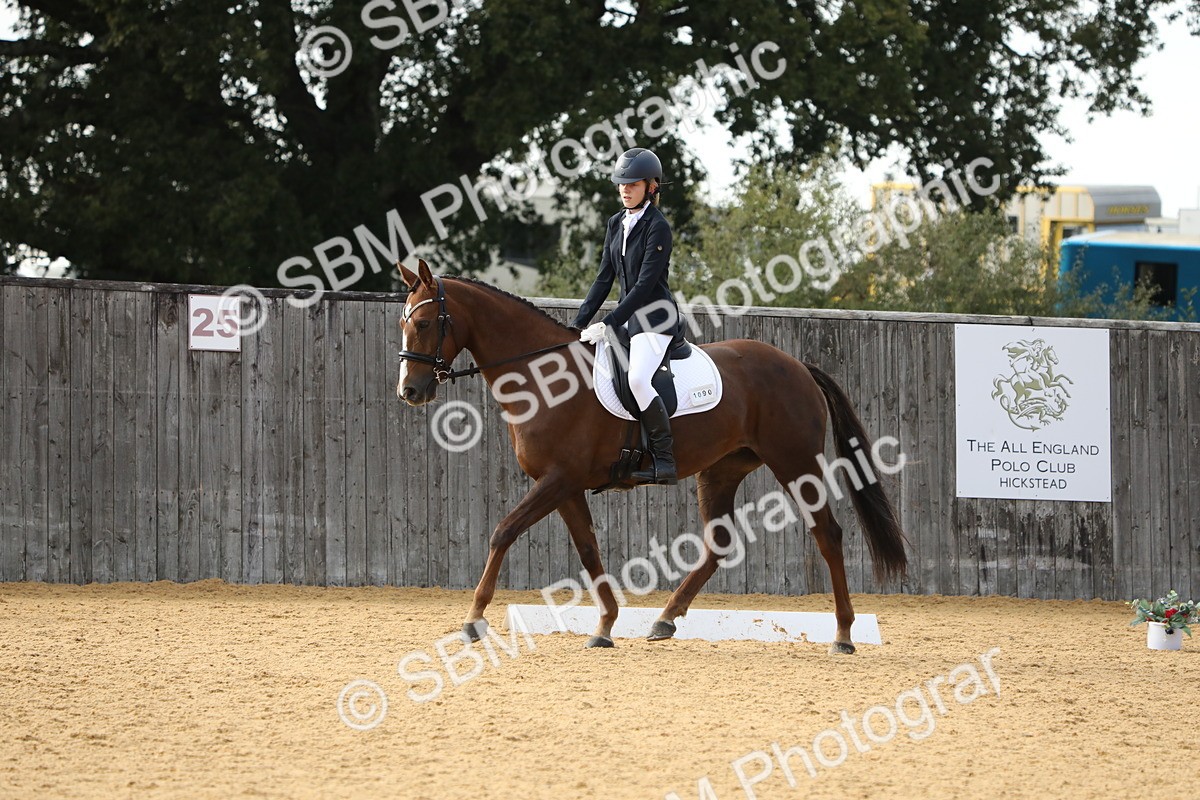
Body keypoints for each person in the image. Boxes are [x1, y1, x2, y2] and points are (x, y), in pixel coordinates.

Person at [573, 147, 684, 485]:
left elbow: (644, 285)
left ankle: (664, 460)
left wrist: (608, 322)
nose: (625, 189)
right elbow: (604, 278)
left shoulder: (658, 226)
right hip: (626, 320)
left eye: (633, 184)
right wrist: (580, 321)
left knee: (637, 379)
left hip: (655, 316)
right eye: (621, 184)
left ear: (651, 186)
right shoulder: (615, 223)